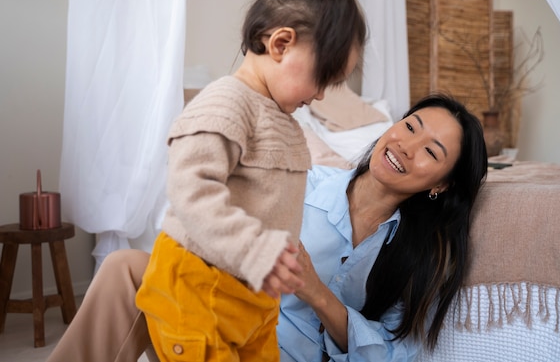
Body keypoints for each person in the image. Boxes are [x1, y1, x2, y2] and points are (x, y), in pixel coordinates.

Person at [47, 93, 488, 362]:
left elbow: (395, 355)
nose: (405, 146)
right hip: (218, 337)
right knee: (127, 268)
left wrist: (316, 292)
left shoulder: (421, 255)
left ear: (442, 184)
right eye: (409, 126)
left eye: (430, 151)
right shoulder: (301, 183)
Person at [133, 0, 367, 362]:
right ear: (280, 44)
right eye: (322, 78)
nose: (321, 94)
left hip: (255, 298)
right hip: (199, 284)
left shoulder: (284, 120)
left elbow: (271, 203)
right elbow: (191, 191)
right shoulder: (227, 100)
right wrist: (259, 249)